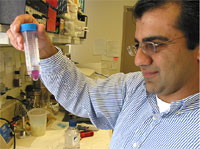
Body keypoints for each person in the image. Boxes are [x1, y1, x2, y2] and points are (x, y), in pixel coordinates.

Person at [7, 0, 199, 148]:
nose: (139, 60)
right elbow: (83, 94)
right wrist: (43, 47)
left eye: (154, 45)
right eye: (138, 45)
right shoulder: (134, 87)